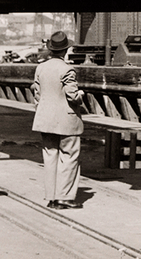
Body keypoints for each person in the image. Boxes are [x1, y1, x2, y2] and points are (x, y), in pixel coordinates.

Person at [31, 31, 86, 209]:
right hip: (66, 121)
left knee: (49, 157)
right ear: (65, 50)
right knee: (69, 156)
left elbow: (37, 95)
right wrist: (81, 95)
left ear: (51, 49)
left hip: (45, 119)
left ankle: (52, 197)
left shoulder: (40, 68)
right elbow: (72, 96)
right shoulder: (67, 69)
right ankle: (65, 197)